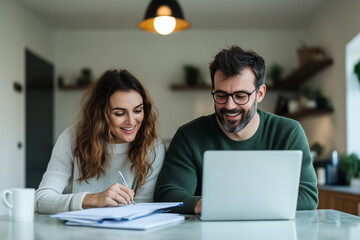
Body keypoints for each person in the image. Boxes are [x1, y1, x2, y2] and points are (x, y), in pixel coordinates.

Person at [154, 46, 318, 214]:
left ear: (260, 93)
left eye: (240, 96)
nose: (229, 105)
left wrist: (230, 204)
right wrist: (204, 204)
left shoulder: (288, 132)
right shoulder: (189, 136)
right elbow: (167, 193)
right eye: (221, 95)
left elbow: (307, 196)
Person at [35, 69, 165, 214]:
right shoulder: (71, 138)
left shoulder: (153, 146)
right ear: (101, 114)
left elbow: (142, 209)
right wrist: (93, 199)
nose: (131, 121)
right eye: (120, 113)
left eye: (138, 110)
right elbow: (42, 200)